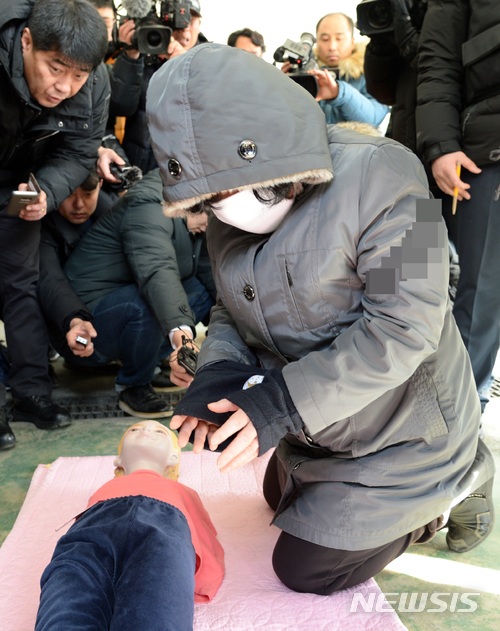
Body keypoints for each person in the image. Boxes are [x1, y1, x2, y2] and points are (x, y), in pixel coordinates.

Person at [146, 43, 495, 595]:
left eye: (226, 191)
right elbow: (231, 307)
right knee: (273, 496)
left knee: (305, 570)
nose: (220, 209)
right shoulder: (225, 215)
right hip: (324, 423)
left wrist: (281, 404)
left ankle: (456, 478)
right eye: (207, 199)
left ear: (267, 149)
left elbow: (408, 326)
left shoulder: (390, 170)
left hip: (406, 430)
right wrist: (219, 375)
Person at [0, 0, 109, 449]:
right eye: (55, 68)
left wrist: (46, 191)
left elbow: (80, 151)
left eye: (78, 75)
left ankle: (31, 393)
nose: (64, 86)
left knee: (21, 285)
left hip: (23, 183)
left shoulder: (93, 82)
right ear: (27, 41)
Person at [35, 420, 225, 630]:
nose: (144, 431)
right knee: (65, 608)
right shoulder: (103, 488)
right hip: (90, 536)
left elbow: (202, 532)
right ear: (119, 459)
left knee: (153, 618)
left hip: (161, 536)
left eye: (160, 432)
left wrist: (196, 578)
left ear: (173, 457)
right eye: (134, 430)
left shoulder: (184, 492)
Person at [60, 168, 215, 408]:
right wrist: (184, 343)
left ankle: (149, 363)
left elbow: (209, 276)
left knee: (200, 291)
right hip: (88, 329)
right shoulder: (149, 205)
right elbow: (157, 271)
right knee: (150, 300)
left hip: (123, 305)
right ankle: (133, 385)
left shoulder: (191, 216)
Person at [416, 0, 500, 414]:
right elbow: (438, 61)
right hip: (485, 150)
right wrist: (441, 144)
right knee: (477, 294)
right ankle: (461, 416)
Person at [120, 0, 207, 174]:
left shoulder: (210, 62)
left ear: (200, 24)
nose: (184, 28)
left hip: (184, 173)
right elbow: (121, 105)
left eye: (190, 20)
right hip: (135, 166)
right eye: (178, 20)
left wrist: (185, 68)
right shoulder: (144, 55)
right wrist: (131, 56)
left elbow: (210, 118)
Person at [281, 12, 389, 128]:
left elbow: (375, 117)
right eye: (325, 39)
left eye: (339, 38)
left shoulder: (371, 70)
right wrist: (281, 86)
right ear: (316, 42)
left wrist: (339, 93)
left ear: (352, 42)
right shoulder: (303, 71)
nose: (332, 46)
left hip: (357, 145)